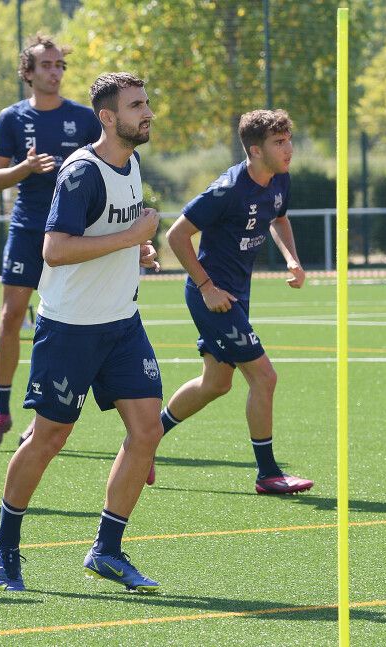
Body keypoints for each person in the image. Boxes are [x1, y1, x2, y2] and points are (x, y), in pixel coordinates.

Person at [0, 72, 162, 593]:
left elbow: (108, 233)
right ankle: (6, 542)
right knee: (50, 437)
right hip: (69, 328)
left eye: (146, 103)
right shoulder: (80, 172)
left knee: (147, 433)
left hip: (121, 324)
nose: (147, 112)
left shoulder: (131, 163)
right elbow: (55, 249)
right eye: (136, 106)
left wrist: (137, 249)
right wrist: (132, 236)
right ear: (108, 118)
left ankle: (106, 550)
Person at [157, 109, 313, 495]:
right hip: (212, 297)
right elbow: (177, 236)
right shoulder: (226, 190)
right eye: (279, 142)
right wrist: (207, 286)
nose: (288, 148)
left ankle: (144, 440)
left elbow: (279, 218)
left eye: (289, 139)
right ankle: (268, 473)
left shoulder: (279, 180)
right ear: (255, 150)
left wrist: (292, 258)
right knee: (264, 376)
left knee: (215, 384)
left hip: (236, 296)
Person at [0, 33, 101, 447]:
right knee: (12, 316)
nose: (55, 72)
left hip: (72, 234)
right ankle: (0, 411)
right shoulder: (11, 118)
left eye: (59, 65)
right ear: (27, 73)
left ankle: (44, 414)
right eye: (46, 65)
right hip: (27, 228)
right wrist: (25, 168)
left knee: (64, 321)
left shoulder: (86, 118)